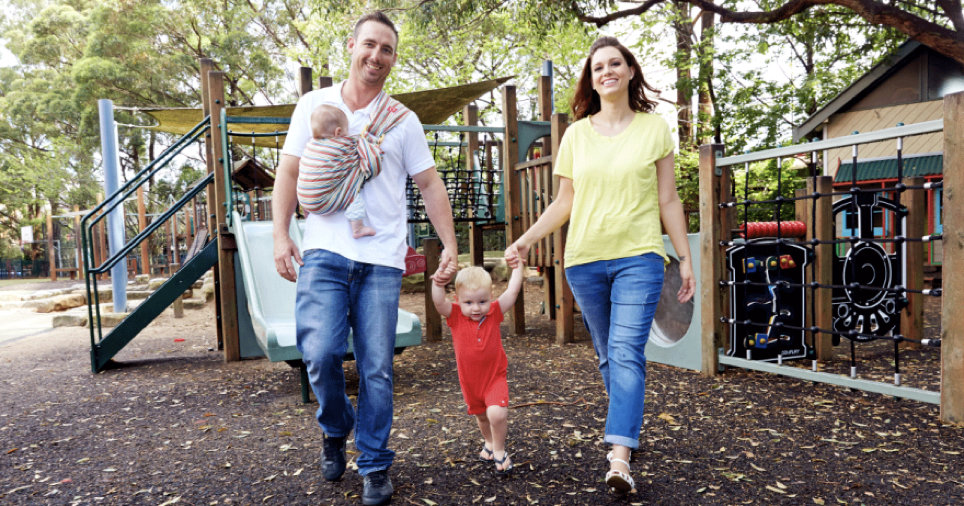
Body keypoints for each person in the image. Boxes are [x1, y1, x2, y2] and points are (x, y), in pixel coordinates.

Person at [272, 11, 458, 506]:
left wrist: (452, 244)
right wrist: (280, 235)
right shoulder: (315, 105)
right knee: (320, 354)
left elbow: (429, 183)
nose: (376, 56)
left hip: (381, 259)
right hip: (325, 252)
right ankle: (336, 428)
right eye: (370, 45)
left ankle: (374, 461)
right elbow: (289, 173)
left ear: (394, 59)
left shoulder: (403, 121)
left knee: (377, 367)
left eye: (387, 50)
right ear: (352, 45)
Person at [503, 36, 696, 495]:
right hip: (585, 261)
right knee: (609, 355)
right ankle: (626, 424)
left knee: (628, 352)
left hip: (640, 257)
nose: (606, 71)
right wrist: (527, 239)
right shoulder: (576, 135)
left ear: (630, 70)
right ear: (591, 80)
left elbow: (668, 199)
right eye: (597, 68)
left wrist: (685, 259)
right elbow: (563, 201)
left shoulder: (655, 129)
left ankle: (619, 456)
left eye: (615, 63)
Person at [431, 264, 525, 475]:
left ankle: (500, 450)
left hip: (494, 377)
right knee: (482, 416)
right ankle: (489, 442)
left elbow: (512, 291)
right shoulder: (455, 315)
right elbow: (438, 301)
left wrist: (518, 268)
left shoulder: (494, 311)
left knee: (497, 414)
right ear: (457, 299)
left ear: (490, 297)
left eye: (482, 301)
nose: (476, 308)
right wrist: (438, 282)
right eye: (469, 302)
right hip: (470, 381)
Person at [300, 104, 375, 239]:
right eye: (347, 131)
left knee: (309, 178)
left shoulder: (310, 146)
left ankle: (309, 214)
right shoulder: (342, 144)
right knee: (354, 192)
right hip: (323, 202)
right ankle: (357, 227)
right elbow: (359, 143)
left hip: (305, 200)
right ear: (338, 132)